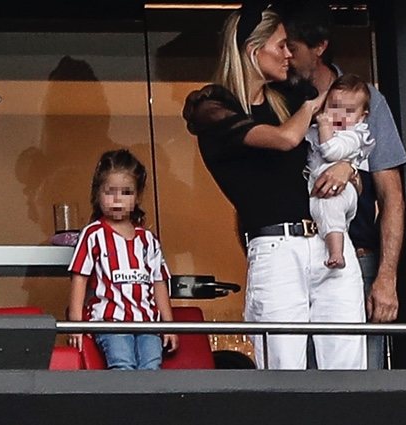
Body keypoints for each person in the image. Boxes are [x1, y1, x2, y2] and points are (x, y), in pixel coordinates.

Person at [183, 2, 366, 370]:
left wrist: (348, 168)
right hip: (276, 246)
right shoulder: (213, 104)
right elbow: (283, 139)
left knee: (349, 368)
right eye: (282, 45)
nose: (288, 54)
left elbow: (349, 173)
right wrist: (314, 105)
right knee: (284, 371)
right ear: (253, 50)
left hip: (330, 238)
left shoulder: (291, 98)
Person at [282, 4, 406, 369]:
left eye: (292, 47)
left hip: (360, 255)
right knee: (292, 386)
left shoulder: (366, 100)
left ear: (318, 46)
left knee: (354, 387)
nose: (285, 58)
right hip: (292, 259)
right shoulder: (279, 99)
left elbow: (391, 194)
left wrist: (386, 278)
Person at [66, 149, 178, 370]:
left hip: (147, 324)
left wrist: (169, 325)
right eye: (110, 192)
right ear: (98, 194)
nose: (118, 199)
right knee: (122, 364)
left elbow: (159, 283)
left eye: (126, 192)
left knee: (151, 366)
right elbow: (79, 279)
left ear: (137, 197)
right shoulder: (93, 235)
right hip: (111, 323)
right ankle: (126, 406)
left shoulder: (148, 240)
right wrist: (75, 324)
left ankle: (147, 405)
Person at [306, 74, 374, 269]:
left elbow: (331, 151)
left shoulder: (354, 135)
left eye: (349, 111)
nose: (340, 116)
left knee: (331, 208)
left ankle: (337, 253)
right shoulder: (315, 129)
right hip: (318, 185)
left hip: (341, 189)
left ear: (362, 116)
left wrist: (325, 126)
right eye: (334, 107)